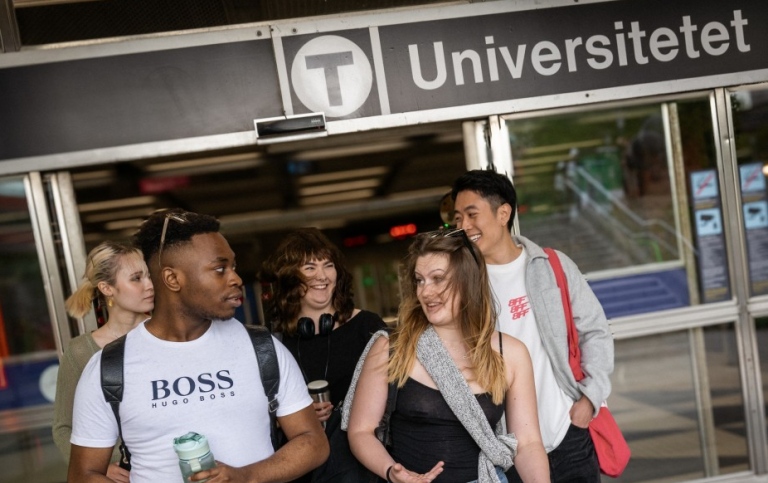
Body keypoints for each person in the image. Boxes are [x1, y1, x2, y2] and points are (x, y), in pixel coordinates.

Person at [68, 209, 329, 482]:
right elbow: (83, 474)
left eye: (233, 267)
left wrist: (246, 476)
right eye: (219, 269)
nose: (236, 279)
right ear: (172, 279)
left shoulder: (262, 348)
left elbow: (313, 442)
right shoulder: (109, 367)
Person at [346, 230, 549, 483]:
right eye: (419, 280)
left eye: (438, 279)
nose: (425, 292)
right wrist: (393, 472)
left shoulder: (512, 353)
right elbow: (360, 431)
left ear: (468, 281)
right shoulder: (392, 347)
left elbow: (528, 444)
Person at [451, 170, 614, 482]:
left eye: (472, 214)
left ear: (503, 213)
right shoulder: (463, 285)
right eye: (457, 218)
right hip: (508, 448)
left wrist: (589, 399)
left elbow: (595, 330)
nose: (463, 226)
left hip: (568, 432)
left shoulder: (552, 265)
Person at [259, 227, 387, 482]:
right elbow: (258, 412)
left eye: (328, 265)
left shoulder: (368, 327)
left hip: (363, 467)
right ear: (290, 277)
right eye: (309, 268)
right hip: (304, 469)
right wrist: (292, 418)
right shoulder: (272, 342)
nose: (322, 275)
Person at [52, 241, 154, 483]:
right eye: (137, 278)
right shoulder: (81, 352)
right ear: (107, 288)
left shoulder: (167, 334)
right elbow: (63, 427)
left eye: (149, 276)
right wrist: (102, 468)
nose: (150, 285)